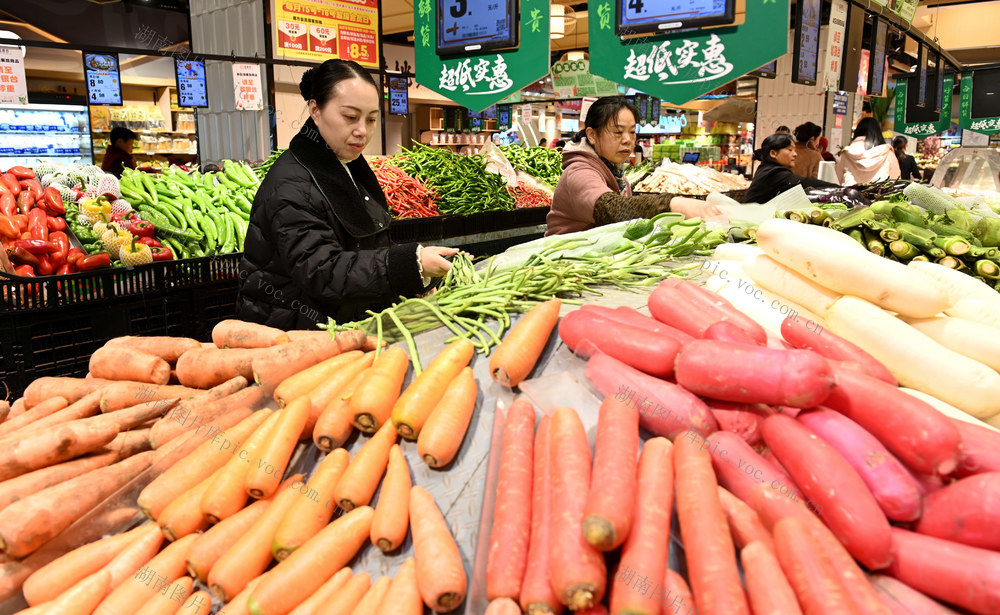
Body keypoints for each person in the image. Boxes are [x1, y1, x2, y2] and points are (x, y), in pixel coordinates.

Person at [237, 59, 458, 329]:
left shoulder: (348, 165)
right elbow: (323, 272)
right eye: (350, 117)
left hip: (341, 322)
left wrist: (409, 283)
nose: (362, 131)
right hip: (296, 333)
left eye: (372, 119)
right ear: (315, 111)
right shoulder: (291, 186)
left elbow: (365, 247)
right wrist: (408, 265)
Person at [547, 96, 719, 236]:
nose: (628, 139)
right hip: (564, 264)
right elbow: (610, 209)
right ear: (592, 135)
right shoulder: (579, 171)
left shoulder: (616, 173)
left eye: (631, 131)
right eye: (618, 132)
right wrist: (672, 204)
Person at [743, 133, 838, 204]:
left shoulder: (766, 168)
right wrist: (840, 188)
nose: (795, 154)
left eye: (795, 150)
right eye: (790, 150)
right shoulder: (774, 173)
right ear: (773, 153)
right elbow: (804, 182)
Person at [836, 117, 900, 184]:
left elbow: (837, 179)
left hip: (850, 193)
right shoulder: (887, 154)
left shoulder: (846, 154)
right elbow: (896, 181)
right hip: (879, 193)